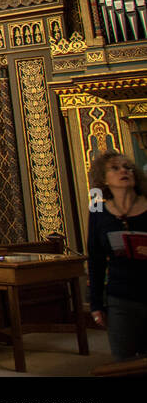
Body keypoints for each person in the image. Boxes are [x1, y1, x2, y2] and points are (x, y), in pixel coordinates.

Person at [87, 151, 147, 361]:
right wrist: (95, 303)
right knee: (124, 362)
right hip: (120, 297)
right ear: (104, 179)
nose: (124, 171)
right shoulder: (97, 211)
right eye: (115, 168)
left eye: (128, 167)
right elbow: (95, 259)